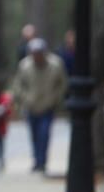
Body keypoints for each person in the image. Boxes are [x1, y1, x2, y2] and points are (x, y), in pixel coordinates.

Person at [13, 38, 67, 173]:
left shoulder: (56, 64)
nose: (37, 56)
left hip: (48, 106)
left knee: (44, 134)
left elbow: (63, 83)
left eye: (39, 52)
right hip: (31, 106)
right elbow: (18, 85)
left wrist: (55, 98)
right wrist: (25, 98)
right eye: (34, 53)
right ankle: (37, 160)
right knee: (34, 135)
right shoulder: (24, 65)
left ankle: (42, 161)